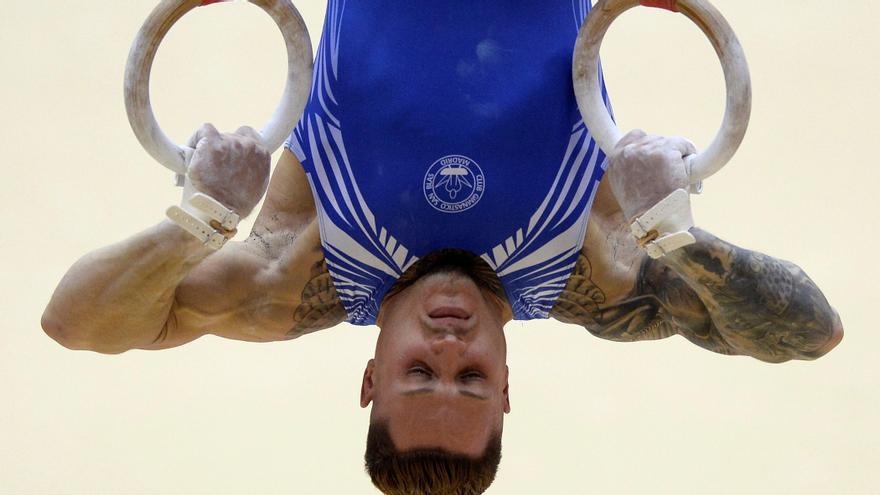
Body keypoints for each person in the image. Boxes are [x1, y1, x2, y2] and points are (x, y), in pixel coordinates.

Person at [41, 1, 843, 494]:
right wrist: (674, 230)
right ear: (506, 389)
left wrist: (200, 220)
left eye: (420, 371)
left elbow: (74, 323)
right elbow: (811, 331)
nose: (450, 345)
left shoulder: (298, 267)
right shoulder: (594, 271)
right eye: (472, 377)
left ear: (369, 380)